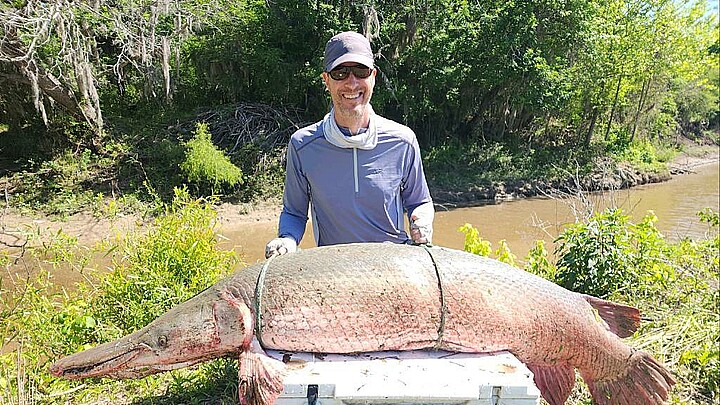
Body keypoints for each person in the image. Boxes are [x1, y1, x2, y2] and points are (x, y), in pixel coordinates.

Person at [265, 31, 434, 258]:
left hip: (396, 265)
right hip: (334, 269)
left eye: (361, 71)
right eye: (340, 73)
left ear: (373, 76)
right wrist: (287, 238)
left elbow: (420, 201)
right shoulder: (302, 145)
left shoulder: (403, 141)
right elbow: (294, 213)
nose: (352, 82)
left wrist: (421, 220)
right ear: (326, 80)